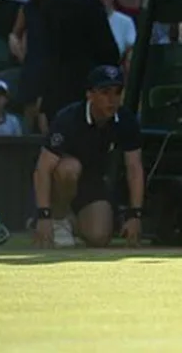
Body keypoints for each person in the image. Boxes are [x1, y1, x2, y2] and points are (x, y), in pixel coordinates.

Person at [31, 65, 144, 248]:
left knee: (99, 237)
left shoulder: (126, 120)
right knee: (69, 169)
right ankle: (57, 219)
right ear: (90, 95)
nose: (112, 99)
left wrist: (135, 215)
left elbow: (134, 168)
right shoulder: (68, 118)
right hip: (60, 182)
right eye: (105, 92)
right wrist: (43, 214)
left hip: (92, 183)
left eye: (117, 92)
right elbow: (43, 168)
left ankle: (72, 223)